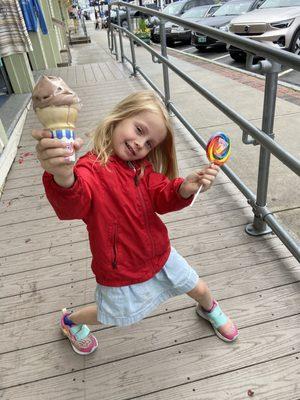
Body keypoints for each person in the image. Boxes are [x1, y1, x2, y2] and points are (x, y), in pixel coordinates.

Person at [32, 91, 238, 356]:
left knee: (196, 286)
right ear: (118, 118)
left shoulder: (141, 168)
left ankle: (209, 308)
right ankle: (71, 321)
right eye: (138, 130)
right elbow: (73, 203)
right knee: (113, 315)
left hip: (159, 253)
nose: (140, 143)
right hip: (121, 269)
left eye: (150, 143)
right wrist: (62, 175)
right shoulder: (89, 169)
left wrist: (185, 188)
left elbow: (162, 195)